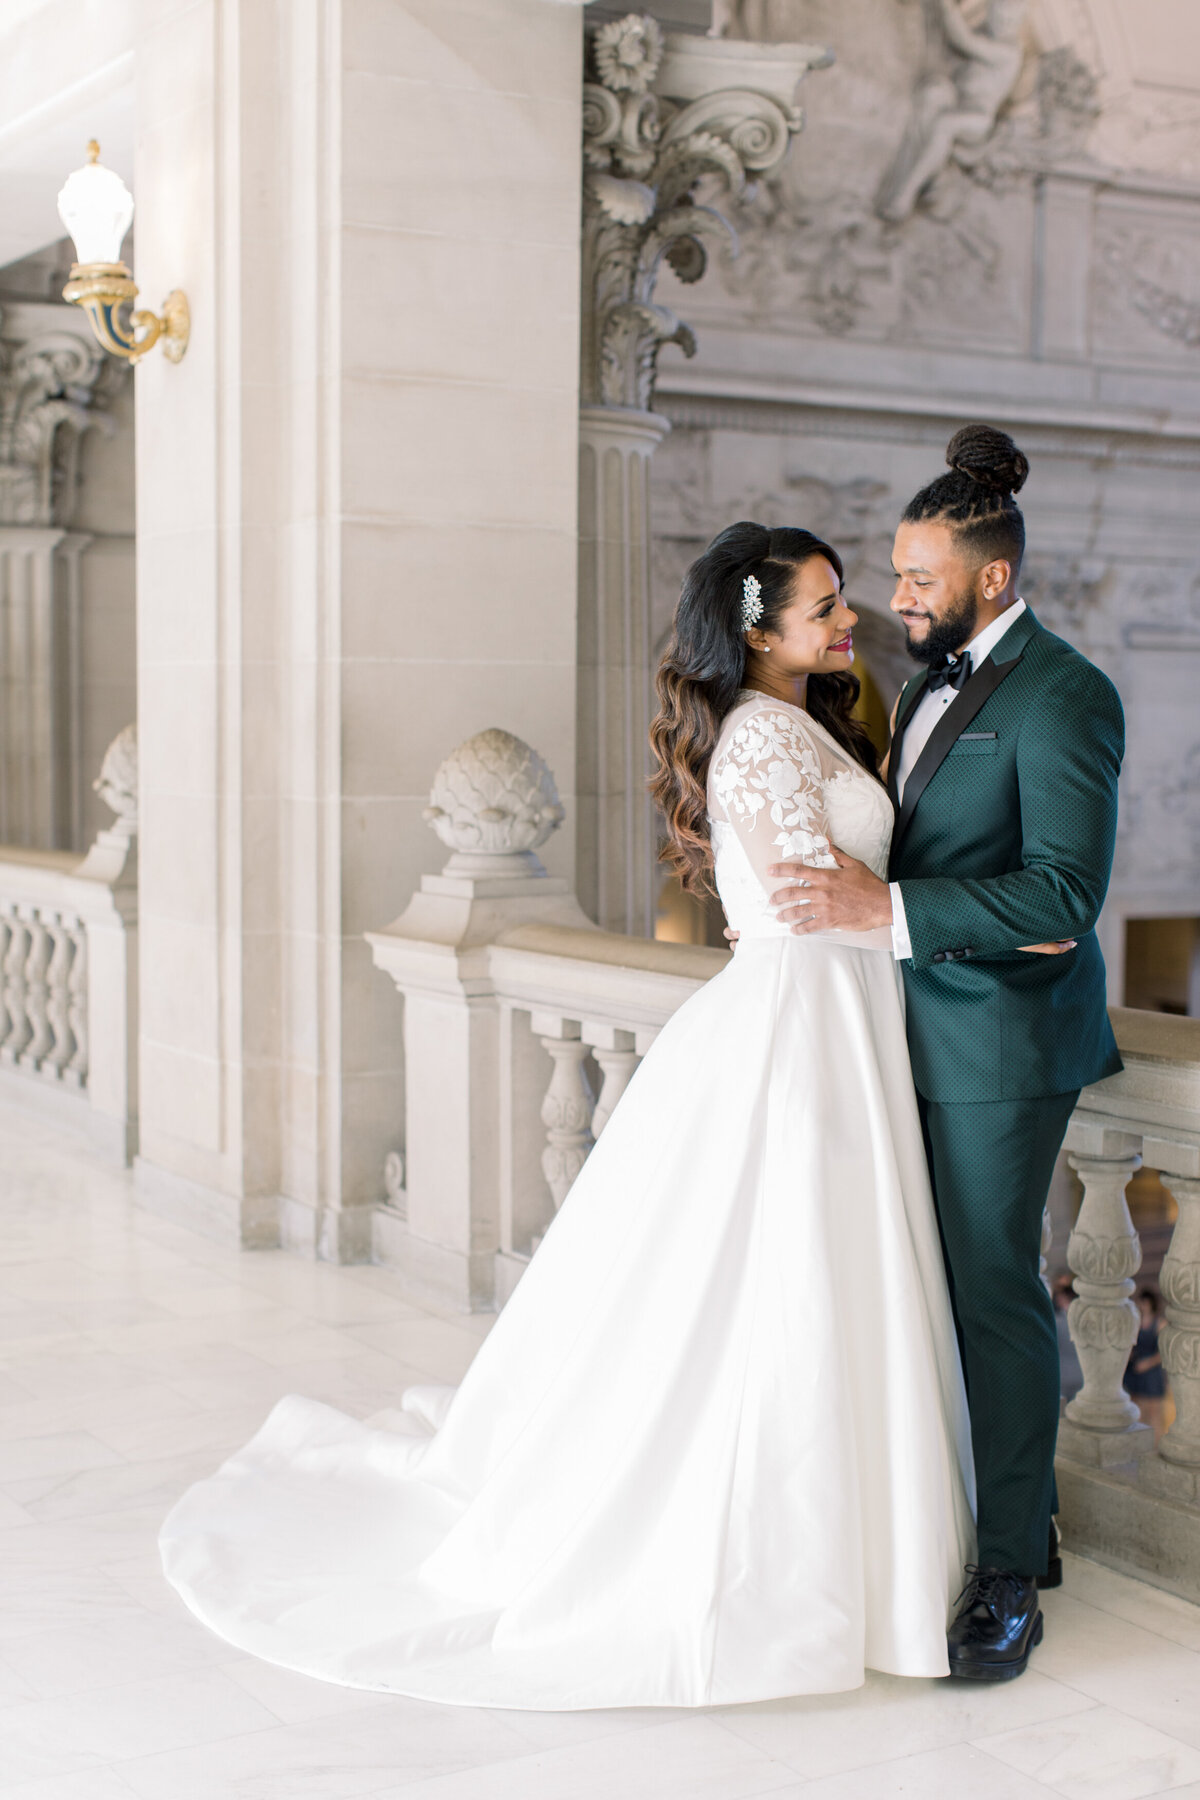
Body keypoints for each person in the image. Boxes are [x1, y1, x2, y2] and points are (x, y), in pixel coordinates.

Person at [159, 524, 978, 1710]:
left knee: (827, 1267)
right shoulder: (756, 736)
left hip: (836, 1011)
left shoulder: (805, 719)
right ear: (758, 630)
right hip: (807, 1020)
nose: (845, 622)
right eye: (821, 608)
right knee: (788, 1270)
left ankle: (872, 1543)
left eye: (842, 604)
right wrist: (909, 910)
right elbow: (809, 901)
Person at [762, 423, 1124, 1680]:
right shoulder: (923, 685)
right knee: (929, 1287)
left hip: (1007, 1044)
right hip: (905, 1032)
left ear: (993, 579)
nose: (896, 596)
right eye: (896, 573)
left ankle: (1011, 1573)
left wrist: (889, 913)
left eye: (919, 577)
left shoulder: (1069, 693)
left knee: (991, 1294)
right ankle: (1011, 1519)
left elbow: (1066, 895)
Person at [1125, 1287, 1167, 1439]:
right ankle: (1141, 1448)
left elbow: (1163, 1353)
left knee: (1154, 1414)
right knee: (1137, 1412)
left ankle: (1156, 1446)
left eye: (1145, 1302)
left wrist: (1147, 1363)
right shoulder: (1136, 1321)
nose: (1142, 1305)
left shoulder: (1160, 1323)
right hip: (1135, 1371)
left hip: (1151, 1372)